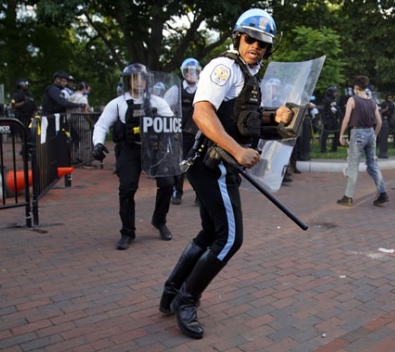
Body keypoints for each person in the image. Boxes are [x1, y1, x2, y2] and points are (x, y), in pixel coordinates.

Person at [159, 9, 293, 340]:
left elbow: (240, 118)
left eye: (263, 44)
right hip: (214, 163)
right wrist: (237, 150)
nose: (257, 47)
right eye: (251, 39)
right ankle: (186, 301)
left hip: (221, 164)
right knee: (230, 239)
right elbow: (202, 113)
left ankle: (172, 291)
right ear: (238, 38)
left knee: (210, 232)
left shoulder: (249, 74)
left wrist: (273, 116)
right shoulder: (224, 68)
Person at [91, 63, 175, 250]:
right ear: (128, 81)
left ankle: (159, 221)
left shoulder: (157, 102)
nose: (139, 82)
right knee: (127, 189)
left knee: (168, 184)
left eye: (142, 78)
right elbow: (101, 125)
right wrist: (97, 143)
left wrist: (167, 141)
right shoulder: (118, 103)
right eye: (135, 78)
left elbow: (171, 124)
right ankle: (127, 232)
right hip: (130, 150)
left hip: (154, 149)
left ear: (147, 81)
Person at [336, 75, 388, 207]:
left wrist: (341, 135)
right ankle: (382, 192)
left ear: (355, 87)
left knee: (353, 165)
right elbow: (380, 122)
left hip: (357, 133)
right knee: (373, 164)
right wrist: (374, 135)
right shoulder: (372, 101)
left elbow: (346, 119)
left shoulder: (352, 100)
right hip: (370, 132)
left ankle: (348, 196)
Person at [165, 58, 202, 205]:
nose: (191, 74)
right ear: (184, 73)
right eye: (189, 71)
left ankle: (199, 195)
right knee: (180, 164)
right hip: (179, 132)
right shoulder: (176, 90)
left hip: (198, 133)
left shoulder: (202, 89)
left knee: (197, 164)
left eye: (194, 72)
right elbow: (164, 108)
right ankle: (177, 192)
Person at [320, 85, 341, 153]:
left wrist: (340, 117)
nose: (336, 93)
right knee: (325, 134)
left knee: (337, 133)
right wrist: (324, 120)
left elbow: (337, 109)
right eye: (334, 92)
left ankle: (334, 148)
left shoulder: (335, 100)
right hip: (328, 119)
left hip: (335, 119)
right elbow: (322, 111)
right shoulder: (325, 100)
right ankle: (323, 149)